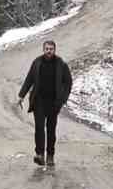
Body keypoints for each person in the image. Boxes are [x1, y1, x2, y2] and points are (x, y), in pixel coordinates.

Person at [17, 39, 72, 167]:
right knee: (39, 128)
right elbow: (29, 79)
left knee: (51, 130)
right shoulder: (37, 62)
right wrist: (21, 95)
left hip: (54, 103)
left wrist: (63, 99)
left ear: (54, 50)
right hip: (39, 101)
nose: (49, 51)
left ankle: (50, 156)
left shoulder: (61, 64)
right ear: (43, 50)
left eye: (51, 49)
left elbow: (68, 82)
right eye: (46, 49)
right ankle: (40, 154)